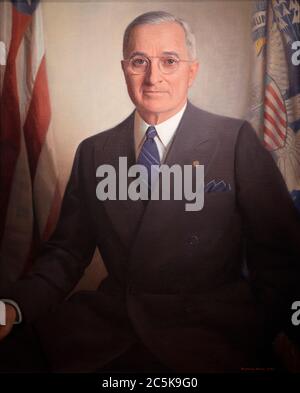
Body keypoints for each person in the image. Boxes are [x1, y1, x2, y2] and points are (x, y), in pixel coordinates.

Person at [0, 10, 299, 373]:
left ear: (192, 71)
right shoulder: (94, 152)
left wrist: (267, 331)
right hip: (111, 327)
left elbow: (278, 256)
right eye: (139, 61)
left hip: (209, 335)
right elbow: (66, 254)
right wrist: (12, 307)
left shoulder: (234, 141)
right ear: (124, 68)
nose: (153, 77)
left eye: (169, 61)